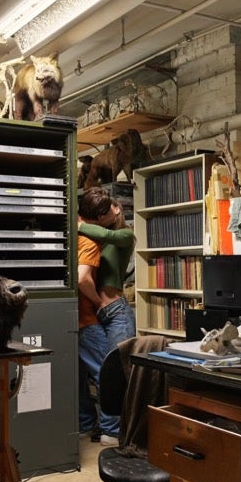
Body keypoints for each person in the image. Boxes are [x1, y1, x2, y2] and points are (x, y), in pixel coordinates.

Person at [76, 172, 136, 434]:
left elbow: (102, 233)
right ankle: (109, 428)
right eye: (112, 205)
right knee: (106, 371)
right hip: (100, 309)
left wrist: (76, 225)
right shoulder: (99, 237)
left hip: (116, 310)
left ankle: (113, 431)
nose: (117, 207)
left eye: (117, 205)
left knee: (115, 372)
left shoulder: (124, 235)